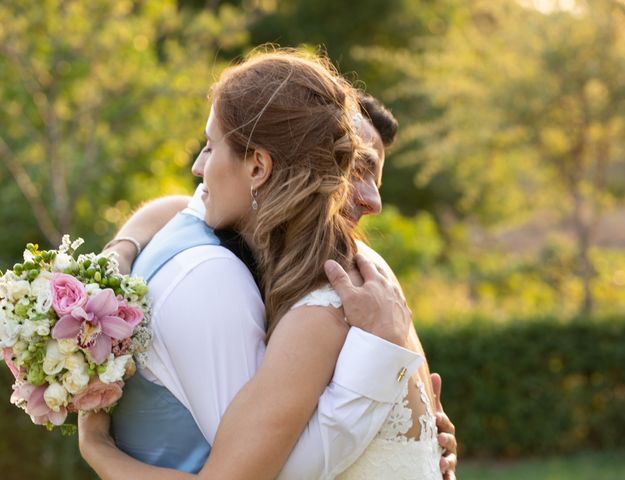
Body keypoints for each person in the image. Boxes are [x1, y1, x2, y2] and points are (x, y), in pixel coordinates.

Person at [79, 51, 455, 479]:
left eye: (210, 146)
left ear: (259, 166)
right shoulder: (338, 274)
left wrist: (99, 450)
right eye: (350, 166)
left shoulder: (327, 302)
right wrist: (118, 255)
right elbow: (185, 206)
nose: (198, 167)